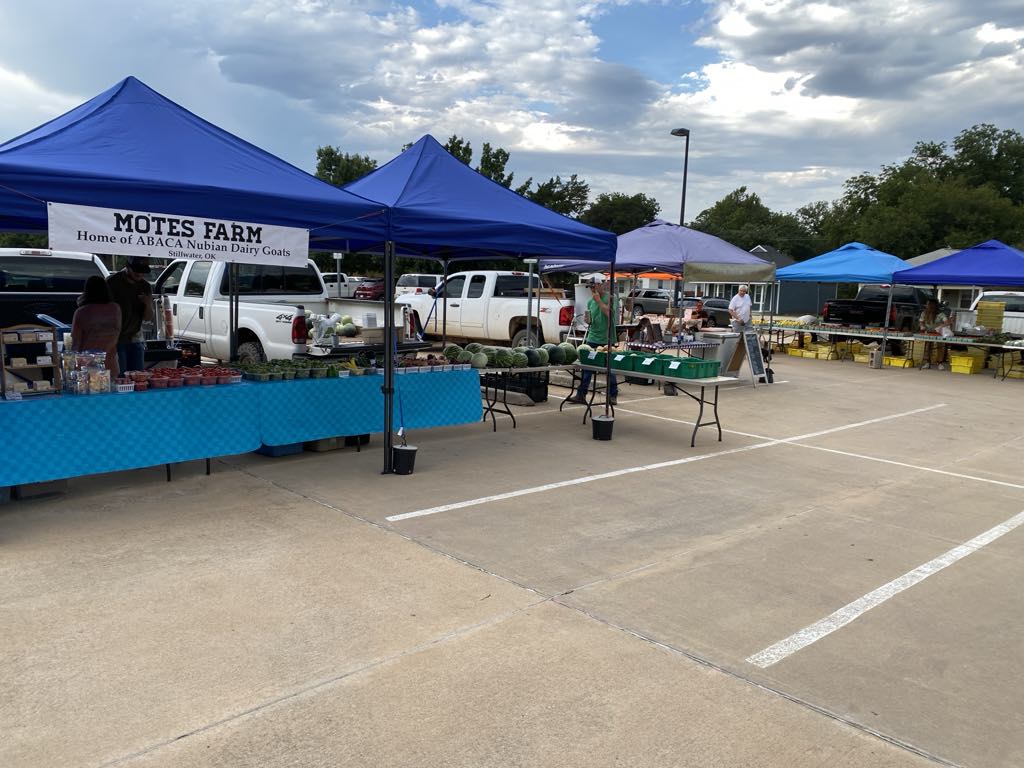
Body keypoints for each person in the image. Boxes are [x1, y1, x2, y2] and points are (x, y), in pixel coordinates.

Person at [567, 278, 618, 406]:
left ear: (602, 285)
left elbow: (610, 314)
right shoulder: (590, 301)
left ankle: (613, 395)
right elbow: (591, 320)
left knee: (609, 368)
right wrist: (587, 319)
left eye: (594, 287)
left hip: (607, 339)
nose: (593, 290)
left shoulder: (611, 298)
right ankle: (581, 394)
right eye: (591, 288)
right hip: (592, 337)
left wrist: (599, 301)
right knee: (587, 367)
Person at [106, 257, 153, 373]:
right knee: (120, 377)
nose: (140, 274)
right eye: (136, 270)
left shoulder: (145, 286)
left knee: (138, 377)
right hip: (115, 338)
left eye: (143, 271)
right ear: (127, 267)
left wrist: (147, 304)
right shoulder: (112, 282)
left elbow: (148, 318)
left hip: (135, 338)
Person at [71, 275, 122, 378]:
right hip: (111, 362)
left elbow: (76, 342)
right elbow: (118, 332)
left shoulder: (82, 312)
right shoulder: (115, 309)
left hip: (87, 364)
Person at [918, 298, 951, 370]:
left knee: (940, 347)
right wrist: (922, 326)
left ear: (933, 305)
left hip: (938, 333)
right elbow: (921, 321)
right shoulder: (924, 313)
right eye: (927, 304)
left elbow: (947, 322)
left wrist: (941, 326)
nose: (927, 306)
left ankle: (940, 363)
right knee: (928, 347)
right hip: (929, 332)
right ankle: (927, 362)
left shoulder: (940, 314)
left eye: (928, 304)